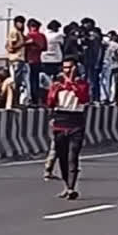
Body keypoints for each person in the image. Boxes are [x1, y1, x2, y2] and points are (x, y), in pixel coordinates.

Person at [44, 58, 91, 198]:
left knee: (73, 156)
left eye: (70, 67)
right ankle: (66, 185)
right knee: (62, 158)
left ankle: (71, 188)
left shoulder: (82, 85)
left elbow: (83, 98)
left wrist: (70, 82)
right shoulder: (57, 85)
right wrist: (57, 88)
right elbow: (50, 102)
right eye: (65, 67)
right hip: (60, 121)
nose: (67, 70)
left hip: (76, 122)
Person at [6, 16, 28, 105]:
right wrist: (25, 43)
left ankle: (17, 101)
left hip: (20, 59)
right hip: (16, 59)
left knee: (19, 83)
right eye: (20, 22)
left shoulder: (19, 32)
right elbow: (12, 47)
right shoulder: (14, 32)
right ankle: (14, 101)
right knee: (16, 82)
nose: (22, 25)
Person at [24, 19, 47, 105]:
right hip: (38, 60)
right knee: (36, 81)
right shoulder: (42, 36)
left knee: (28, 81)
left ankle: (30, 99)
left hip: (29, 61)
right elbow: (44, 48)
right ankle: (36, 99)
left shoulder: (28, 36)